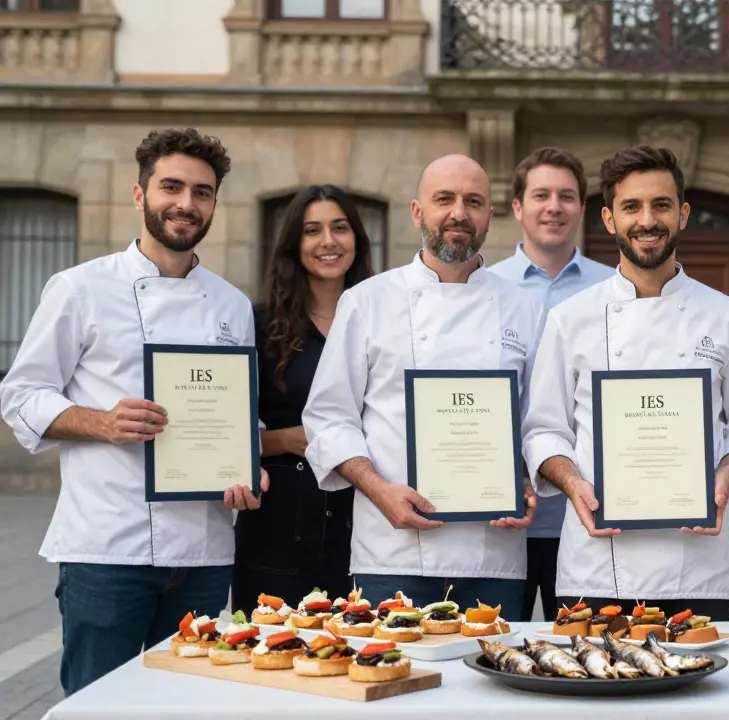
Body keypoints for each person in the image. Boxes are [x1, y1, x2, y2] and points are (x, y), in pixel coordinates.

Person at [0, 128, 267, 695]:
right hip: (107, 548)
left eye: (202, 192)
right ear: (140, 194)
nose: (186, 203)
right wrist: (102, 422)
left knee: (189, 704)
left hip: (203, 552)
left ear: (215, 203)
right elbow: (21, 395)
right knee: (98, 705)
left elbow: (237, 411)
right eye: (172, 186)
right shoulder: (79, 289)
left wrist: (250, 462)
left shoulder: (232, 306)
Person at [521, 144, 729, 620]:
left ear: (682, 214)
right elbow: (543, 431)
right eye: (631, 206)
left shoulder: (726, 316)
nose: (647, 219)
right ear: (608, 218)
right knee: (596, 689)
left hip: (698, 566)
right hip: (597, 565)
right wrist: (573, 482)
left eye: (661, 204)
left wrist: (726, 477)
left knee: (698, 692)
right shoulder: (569, 319)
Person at [301, 155, 541, 612]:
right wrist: (377, 488)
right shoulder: (367, 302)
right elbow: (329, 418)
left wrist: (527, 479)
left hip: (494, 556)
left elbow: (539, 421)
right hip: (390, 552)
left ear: (490, 215)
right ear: (417, 212)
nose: (459, 213)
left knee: (493, 682)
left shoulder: (524, 308)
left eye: (474, 202)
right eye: (444, 199)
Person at [231, 185, 376, 615]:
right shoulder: (258, 324)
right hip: (279, 528)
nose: (328, 241)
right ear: (294, 244)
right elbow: (226, 436)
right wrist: (290, 439)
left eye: (340, 228)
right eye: (312, 230)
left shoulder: (384, 318)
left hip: (366, 525)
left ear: (357, 240)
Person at [488, 147, 614, 623]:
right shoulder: (484, 287)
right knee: (501, 650)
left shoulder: (615, 289)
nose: (553, 207)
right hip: (502, 516)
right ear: (517, 206)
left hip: (590, 514)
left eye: (566, 196)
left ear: (583, 208)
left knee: (584, 653)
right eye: (540, 195)